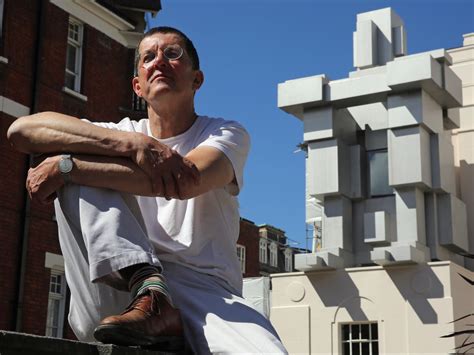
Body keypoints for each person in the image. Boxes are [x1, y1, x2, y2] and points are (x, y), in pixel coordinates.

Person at [7, 26, 287, 354]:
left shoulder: (225, 133)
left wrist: (69, 168)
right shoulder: (122, 133)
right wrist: (132, 143)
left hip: (201, 291)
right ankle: (146, 285)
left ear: (197, 80)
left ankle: (157, 302)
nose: (159, 62)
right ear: (137, 86)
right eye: (148, 57)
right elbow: (21, 130)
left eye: (172, 54)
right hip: (112, 286)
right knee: (72, 154)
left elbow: (187, 180)